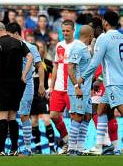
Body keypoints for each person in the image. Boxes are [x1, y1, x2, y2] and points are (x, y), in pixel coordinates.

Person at [78, 11, 123, 155]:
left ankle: (104, 145)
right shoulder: (121, 37)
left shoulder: (104, 38)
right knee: (100, 110)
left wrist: (83, 78)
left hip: (113, 83)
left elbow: (94, 63)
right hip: (115, 80)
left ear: (105, 22)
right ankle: (100, 145)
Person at [0, 22, 33, 156]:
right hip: (18, 84)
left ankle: (0, 150)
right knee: (12, 116)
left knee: (2, 116)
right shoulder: (18, 42)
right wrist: (24, 75)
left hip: (4, 83)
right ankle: (14, 149)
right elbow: (30, 56)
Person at [5, 22, 45, 156]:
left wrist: (41, 85)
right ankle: (14, 147)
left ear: (16, 34)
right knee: (10, 115)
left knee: (24, 115)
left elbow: (39, 66)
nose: (9, 39)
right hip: (11, 85)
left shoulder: (31, 47)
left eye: (10, 36)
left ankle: (28, 147)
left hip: (27, 84)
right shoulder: (9, 48)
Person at [49, 19, 77, 155]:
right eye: (63, 31)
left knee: (74, 118)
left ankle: (75, 145)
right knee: (53, 115)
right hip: (58, 88)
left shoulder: (78, 46)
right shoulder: (59, 45)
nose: (65, 33)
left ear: (73, 30)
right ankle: (67, 140)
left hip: (72, 88)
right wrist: (51, 86)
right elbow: (56, 66)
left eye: (68, 31)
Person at [67, 25, 94, 155]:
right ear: (90, 36)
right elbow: (70, 67)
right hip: (78, 89)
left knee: (87, 116)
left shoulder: (84, 48)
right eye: (92, 35)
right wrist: (76, 87)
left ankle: (80, 148)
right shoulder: (77, 47)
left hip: (86, 90)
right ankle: (72, 148)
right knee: (77, 117)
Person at [30, 40, 56, 154]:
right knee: (34, 122)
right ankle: (38, 148)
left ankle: (52, 148)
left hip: (42, 96)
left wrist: (50, 88)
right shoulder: (27, 63)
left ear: (43, 50)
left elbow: (55, 72)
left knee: (46, 120)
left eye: (40, 47)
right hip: (31, 96)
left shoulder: (47, 63)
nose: (38, 50)